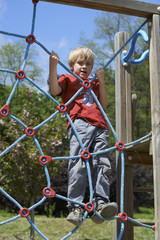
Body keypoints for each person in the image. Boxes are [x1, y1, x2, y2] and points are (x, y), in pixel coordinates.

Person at [49, 47, 118, 226]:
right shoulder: (68, 79)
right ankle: (76, 206)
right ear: (72, 65)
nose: (84, 66)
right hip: (79, 123)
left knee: (102, 163)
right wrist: (53, 66)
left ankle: (100, 205)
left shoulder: (94, 82)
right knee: (78, 163)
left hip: (101, 126)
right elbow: (55, 90)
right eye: (80, 63)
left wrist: (101, 81)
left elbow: (103, 104)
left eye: (88, 63)